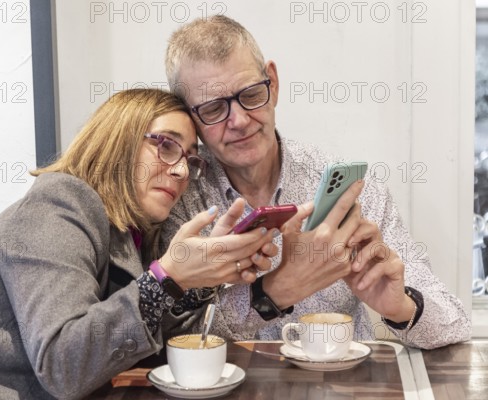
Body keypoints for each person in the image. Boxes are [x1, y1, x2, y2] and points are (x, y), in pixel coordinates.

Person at [0, 89, 279, 399]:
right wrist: (168, 277)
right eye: (166, 145)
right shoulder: (61, 203)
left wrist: (201, 279)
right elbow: (64, 365)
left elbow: (144, 346)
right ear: (117, 140)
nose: (180, 170)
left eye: (191, 161)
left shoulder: (133, 233)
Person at [161, 15, 471, 349]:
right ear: (190, 118)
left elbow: (454, 325)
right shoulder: (179, 201)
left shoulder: (346, 190)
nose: (238, 120)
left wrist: (401, 309)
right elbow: (170, 340)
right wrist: (275, 292)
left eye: (250, 94)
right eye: (212, 109)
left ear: (273, 83)